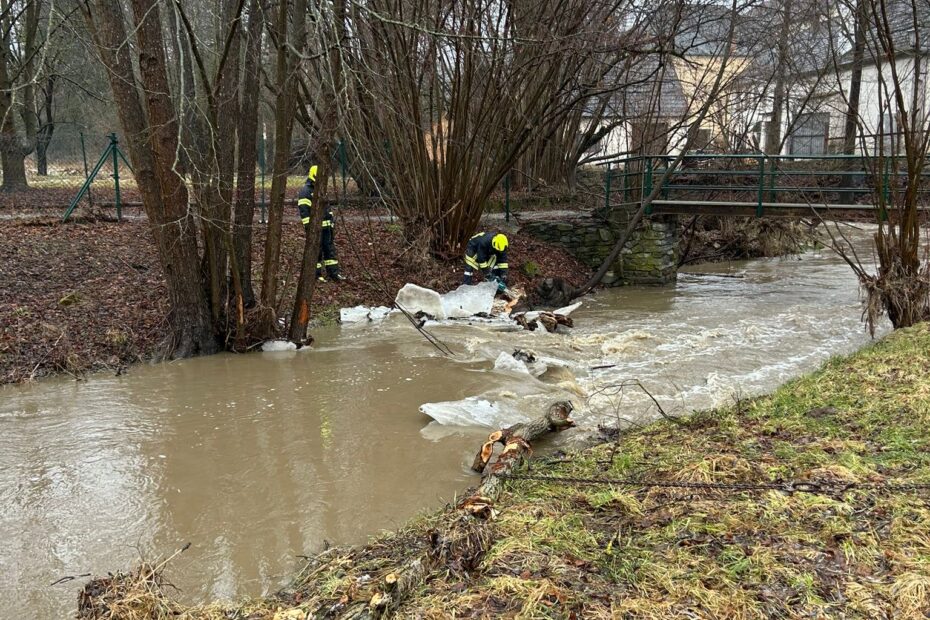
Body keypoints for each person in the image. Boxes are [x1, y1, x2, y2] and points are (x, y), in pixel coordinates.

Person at [297, 164, 344, 282]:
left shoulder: (321, 190)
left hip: (327, 227)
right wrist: (309, 227)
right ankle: (316, 275)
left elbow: (327, 208)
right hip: (315, 228)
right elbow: (304, 211)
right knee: (316, 251)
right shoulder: (306, 192)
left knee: (329, 250)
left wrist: (331, 222)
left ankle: (333, 273)